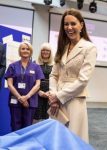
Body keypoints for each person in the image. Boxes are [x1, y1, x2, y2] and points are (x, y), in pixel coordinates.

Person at [48, 8, 97, 143]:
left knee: (72, 139)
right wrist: (53, 96)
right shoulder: (63, 47)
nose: (69, 27)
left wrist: (58, 97)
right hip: (56, 102)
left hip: (74, 100)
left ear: (81, 25)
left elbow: (83, 80)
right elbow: (53, 75)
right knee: (56, 139)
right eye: (66, 24)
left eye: (73, 24)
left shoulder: (89, 48)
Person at [5, 41, 44, 131]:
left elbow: (38, 85)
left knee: (28, 127)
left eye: (28, 49)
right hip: (15, 101)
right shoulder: (12, 66)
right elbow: (10, 84)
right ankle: (16, 145)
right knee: (15, 125)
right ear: (19, 51)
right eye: (23, 49)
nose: (25, 50)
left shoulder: (36, 67)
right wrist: (20, 98)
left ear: (31, 51)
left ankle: (25, 145)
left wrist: (26, 97)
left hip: (30, 101)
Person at [34, 42, 53, 122]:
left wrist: (51, 92)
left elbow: (57, 80)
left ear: (50, 52)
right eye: (43, 50)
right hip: (37, 91)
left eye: (47, 50)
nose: (45, 52)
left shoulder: (55, 64)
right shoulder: (35, 63)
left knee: (48, 116)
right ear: (40, 52)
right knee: (36, 116)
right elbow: (32, 79)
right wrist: (38, 91)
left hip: (50, 93)